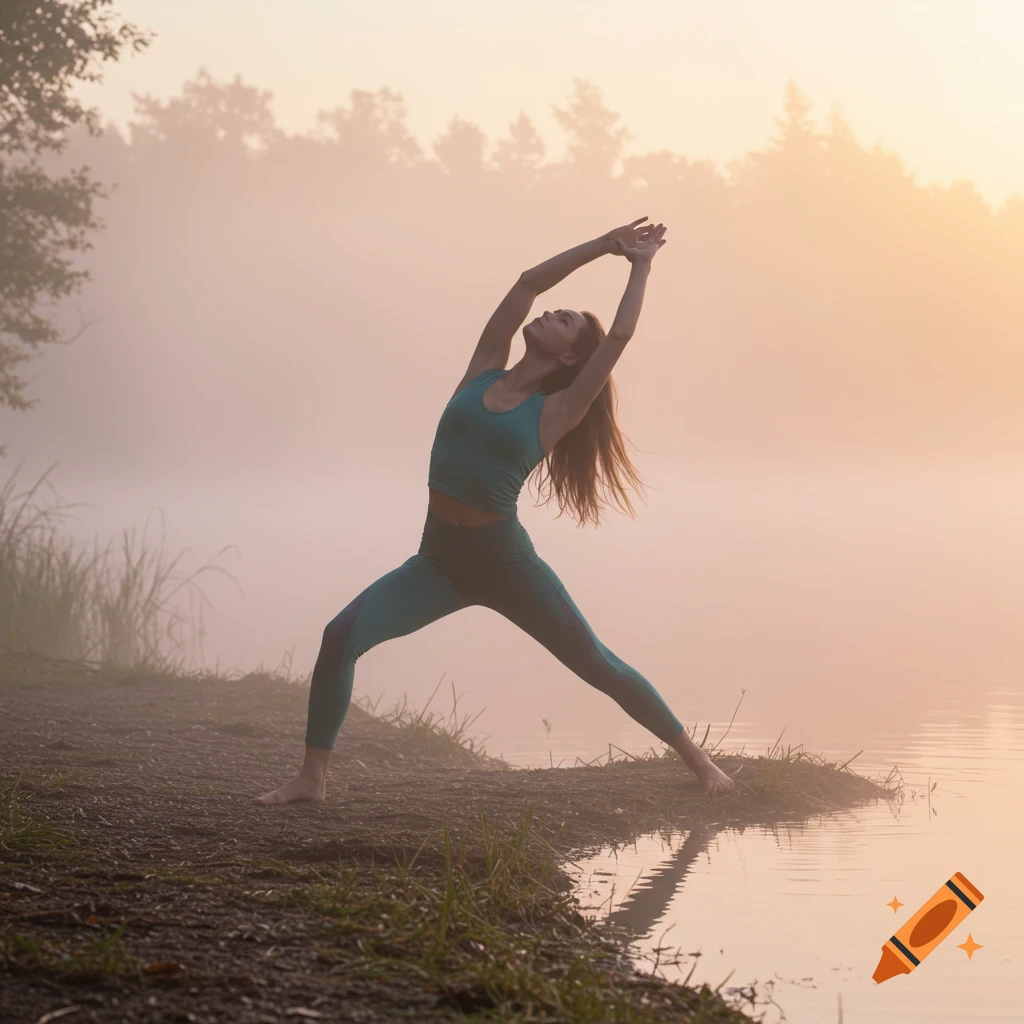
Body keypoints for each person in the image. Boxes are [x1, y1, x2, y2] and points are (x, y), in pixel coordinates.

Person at [255, 216, 734, 804]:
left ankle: (702, 764)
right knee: (340, 636)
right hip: (437, 563)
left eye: (565, 321)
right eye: (557, 311)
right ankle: (312, 779)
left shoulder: (559, 410)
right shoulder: (482, 366)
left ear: (567, 360)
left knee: (596, 664)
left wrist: (640, 266)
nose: (551, 313)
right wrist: (603, 245)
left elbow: (618, 339)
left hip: (505, 564)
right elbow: (528, 282)